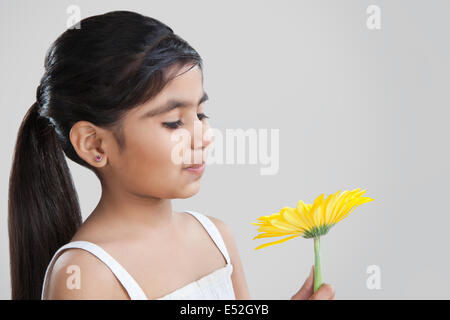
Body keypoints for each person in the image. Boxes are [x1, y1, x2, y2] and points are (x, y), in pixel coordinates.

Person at [8, 10, 334, 300]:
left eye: (201, 114)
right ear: (94, 144)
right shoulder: (85, 276)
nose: (203, 136)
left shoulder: (216, 238)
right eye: (174, 121)